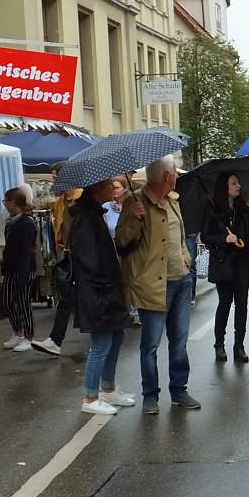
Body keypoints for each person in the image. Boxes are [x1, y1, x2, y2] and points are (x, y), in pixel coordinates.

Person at [116, 155, 199, 414]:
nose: (177, 176)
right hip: (153, 284)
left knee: (179, 341)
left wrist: (187, 261)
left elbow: (180, 236)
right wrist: (133, 219)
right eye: (175, 172)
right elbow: (122, 242)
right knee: (150, 345)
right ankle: (150, 396)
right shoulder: (135, 201)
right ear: (166, 176)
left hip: (181, 280)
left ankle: (179, 391)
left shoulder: (173, 201)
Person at [70, 178, 136, 415]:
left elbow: (113, 249)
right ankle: (90, 397)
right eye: (109, 184)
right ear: (97, 189)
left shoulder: (95, 214)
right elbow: (88, 260)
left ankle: (107, 388)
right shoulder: (86, 218)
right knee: (101, 344)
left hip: (106, 289)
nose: (113, 187)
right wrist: (106, 284)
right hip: (98, 291)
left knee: (117, 336)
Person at [200, 171, 249, 362]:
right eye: (233, 183)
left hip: (242, 262)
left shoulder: (243, 208)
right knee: (225, 303)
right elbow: (205, 236)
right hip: (223, 263)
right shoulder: (212, 209)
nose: (238, 186)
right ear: (224, 187)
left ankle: (239, 346)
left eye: (238, 183)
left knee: (242, 304)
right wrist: (224, 239)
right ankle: (219, 345)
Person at [31, 161, 82, 356]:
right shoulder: (60, 202)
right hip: (68, 256)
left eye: (55, 177)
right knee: (65, 299)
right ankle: (55, 340)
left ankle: (101, 339)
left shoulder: (83, 197)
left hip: (86, 255)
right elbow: (59, 230)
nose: (54, 181)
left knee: (87, 298)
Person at [1, 185, 37, 353]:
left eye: (6, 201)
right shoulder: (12, 222)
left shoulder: (27, 223)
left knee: (24, 304)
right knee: (8, 301)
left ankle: (29, 337)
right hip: (11, 268)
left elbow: (26, 251)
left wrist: (23, 275)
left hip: (23, 269)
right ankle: (18, 332)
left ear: (13, 202)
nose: (5, 205)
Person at [103, 176, 140, 325]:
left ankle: (135, 311)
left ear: (125, 188)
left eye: (117, 187)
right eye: (111, 187)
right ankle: (123, 311)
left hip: (130, 249)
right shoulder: (105, 207)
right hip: (112, 249)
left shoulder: (133, 205)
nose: (113, 191)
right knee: (119, 282)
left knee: (132, 279)